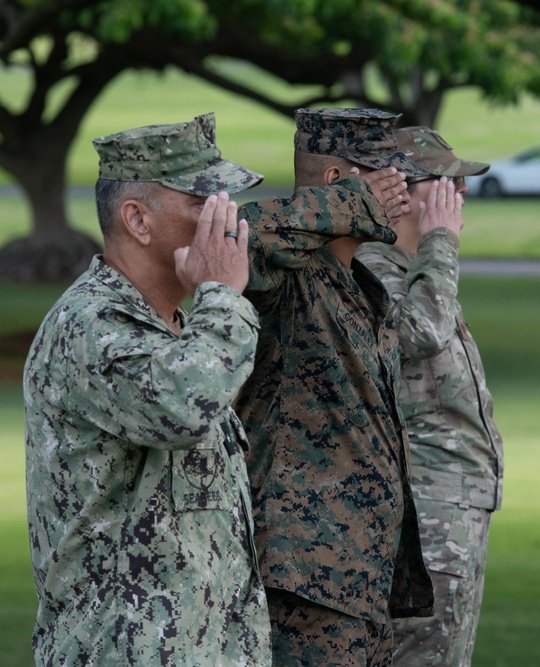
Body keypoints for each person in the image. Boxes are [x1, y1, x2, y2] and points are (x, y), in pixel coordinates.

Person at [23, 113, 271, 666]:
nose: (227, 217)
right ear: (137, 220)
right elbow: (184, 408)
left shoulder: (173, 328)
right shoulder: (89, 327)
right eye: (203, 200)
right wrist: (223, 294)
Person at [234, 107, 434, 667]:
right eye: (388, 179)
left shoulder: (362, 282)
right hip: (306, 579)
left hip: (362, 577)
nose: (406, 196)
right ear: (337, 186)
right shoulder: (285, 280)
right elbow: (240, 237)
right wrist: (351, 207)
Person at [355, 126, 504, 667]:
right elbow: (421, 334)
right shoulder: (371, 273)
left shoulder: (416, 272)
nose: (458, 197)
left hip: (454, 506)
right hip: (423, 515)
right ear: (399, 194)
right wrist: (441, 243)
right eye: (444, 185)